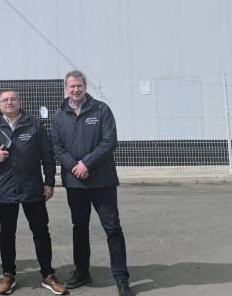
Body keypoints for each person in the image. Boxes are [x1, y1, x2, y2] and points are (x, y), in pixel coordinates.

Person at [52, 70, 134, 296]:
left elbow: (109, 142)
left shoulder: (101, 110)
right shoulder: (59, 115)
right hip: (75, 182)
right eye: (71, 86)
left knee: (112, 228)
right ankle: (81, 272)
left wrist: (87, 164)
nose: (75, 89)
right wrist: (74, 166)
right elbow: (57, 146)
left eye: (79, 85)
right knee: (79, 228)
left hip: (102, 181)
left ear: (85, 87)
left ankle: (121, 278)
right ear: (66, 88)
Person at [0, 90, 67, 295]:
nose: (9, 102)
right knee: (7, 233)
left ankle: (48, 274)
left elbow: (47, 154)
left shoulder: (34, 125)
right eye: (5, 100)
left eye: (13, 99)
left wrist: (49, 182)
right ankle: (8, 275)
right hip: (5, 189)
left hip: (32, 189)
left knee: (41, 232)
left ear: (19, 102)